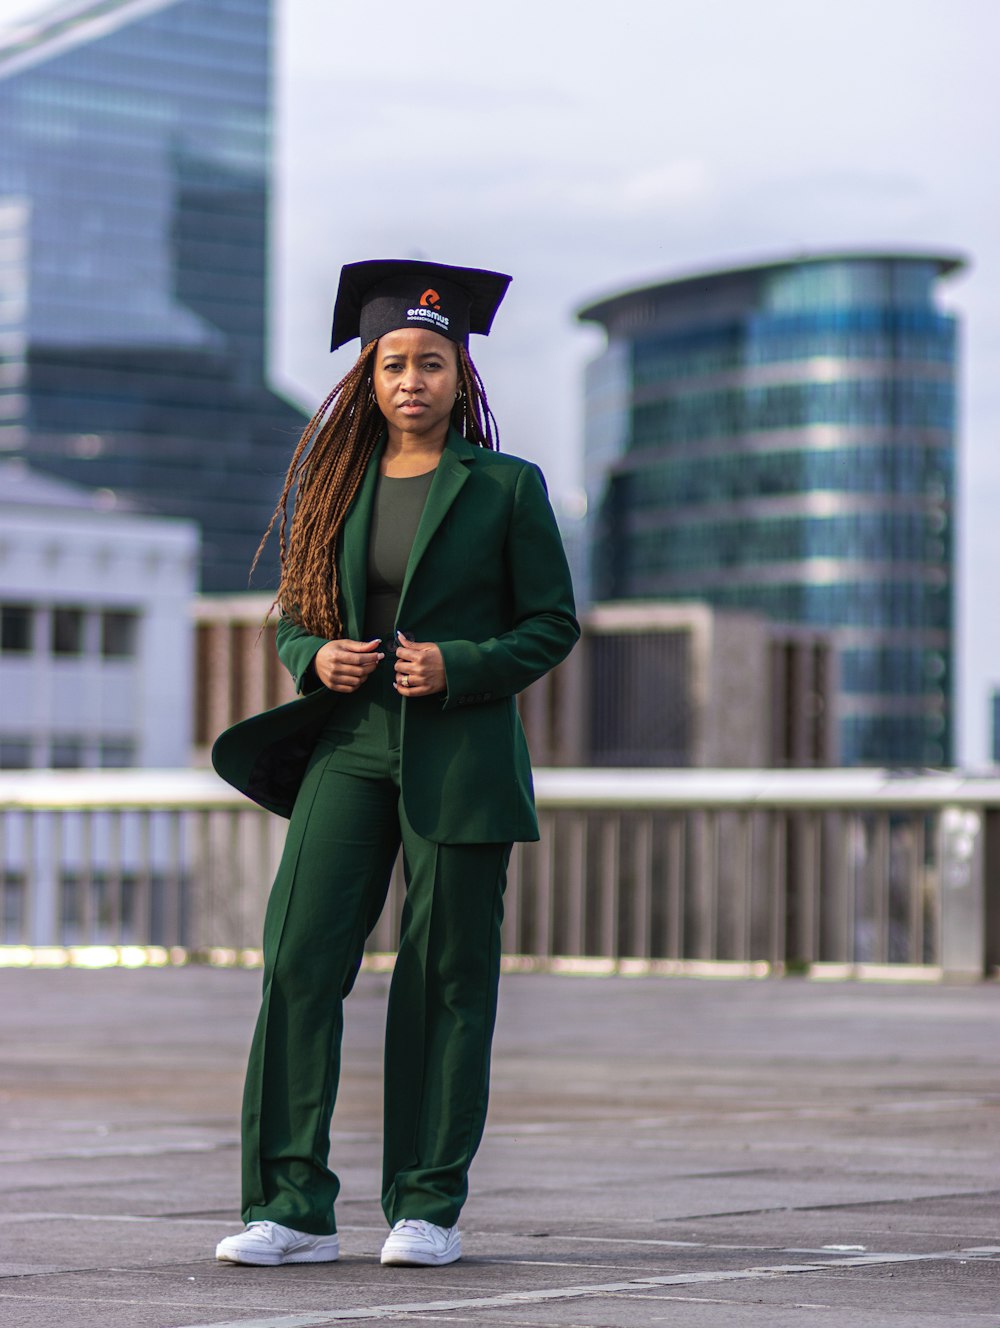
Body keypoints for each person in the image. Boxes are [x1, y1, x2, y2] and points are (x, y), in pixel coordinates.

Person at [211, 259, 579, 1269]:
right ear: (367, 378)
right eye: (391, 365)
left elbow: (552, 623)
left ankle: (426, 1203)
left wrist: (459, 664)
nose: (410, 381)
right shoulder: (334, 482)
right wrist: (311, 655)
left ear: (460, 375)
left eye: (429, 363)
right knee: (297, 962)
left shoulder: (506, 487)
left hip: (460, 760)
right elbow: (296, 616)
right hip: (348, 746)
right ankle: (290, 1205)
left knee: (446, 980)